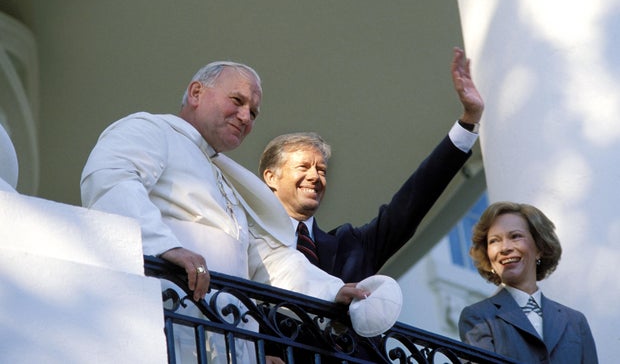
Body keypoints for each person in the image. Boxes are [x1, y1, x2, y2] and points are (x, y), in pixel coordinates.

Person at [80, 61, 367, 363]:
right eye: (237, 101)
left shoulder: (228, 181)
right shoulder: (152, 129)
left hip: (225, 344)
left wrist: (333, 291)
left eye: (253, 112)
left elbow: (267, 263)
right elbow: (109, 180)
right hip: (162, 325)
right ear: (196, 93)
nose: (245, 116)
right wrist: (166, 247)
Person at [259, 47, 483, 283]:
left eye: (321, 170)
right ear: (271, 177)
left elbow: (414, 200)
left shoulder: (351, 247)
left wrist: (469, 120)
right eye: (303, 167)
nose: (315, 176)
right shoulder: (246, 233)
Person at [458, 201, 598, 363]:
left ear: (539, 248)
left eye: (515, 236)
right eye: (494, 241)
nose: (505, 248)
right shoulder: (478, 317)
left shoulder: (575, 321)